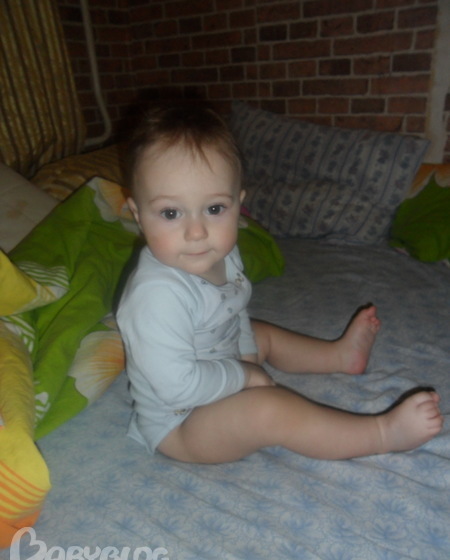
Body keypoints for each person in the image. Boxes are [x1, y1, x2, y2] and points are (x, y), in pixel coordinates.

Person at [116, 104, 443, 464]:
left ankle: (338, 356)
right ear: (138, 215)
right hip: (183, 423)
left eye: (214, 209)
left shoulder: (222, 254)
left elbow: (235, 311)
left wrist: (245, 354)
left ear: (238, 205)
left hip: (220, 366)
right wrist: (244, 375)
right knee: (268, 410)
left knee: (262, 333)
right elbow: (177, 387)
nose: (197, 232)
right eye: (170, 213)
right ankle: (382, 433)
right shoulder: (155, 296)